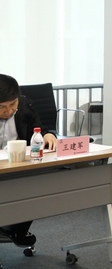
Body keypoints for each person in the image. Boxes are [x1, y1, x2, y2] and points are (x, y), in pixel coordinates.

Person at [0, 74, 58, 247]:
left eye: (13, 104)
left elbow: (39, 128)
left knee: (34, 190)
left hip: (19, 165)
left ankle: (18, 229)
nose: (9, 111)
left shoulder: (25, 104)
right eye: (2, 107)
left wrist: (47, 135)